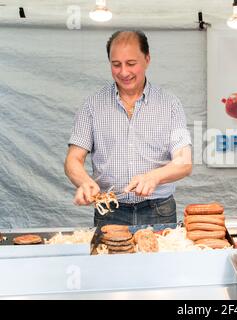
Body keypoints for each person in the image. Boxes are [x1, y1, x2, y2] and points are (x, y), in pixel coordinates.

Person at [64, 30, 192, 227]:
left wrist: (154, 176)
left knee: (160, 259)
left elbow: (184, 162)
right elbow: (73, 159)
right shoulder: (92, 105)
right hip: (109, 210)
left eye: (131, 64)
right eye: (116, 65)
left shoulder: (170, 104)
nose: (124, 72)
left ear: (147, 59)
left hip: (158, 210)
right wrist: (84, 181)